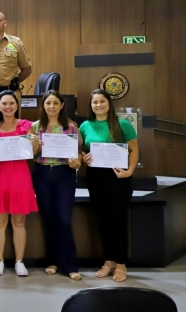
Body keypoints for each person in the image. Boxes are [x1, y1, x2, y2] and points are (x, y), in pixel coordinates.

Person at [80, 89, 139, 283]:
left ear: (109, 103)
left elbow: (134, 148)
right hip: (95, 177)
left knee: (118, 221)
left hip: (118, 177)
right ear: (91, 105)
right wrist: (84, 157)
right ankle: (109, 261)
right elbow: (82, 150)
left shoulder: (121, 124)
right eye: (95, 102)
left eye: (102, 101)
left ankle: (121, 263)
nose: (98, 105)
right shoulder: (85, 126)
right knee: (102, 220)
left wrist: (129, 171)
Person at [30, 90, 82, 281]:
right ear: (43, 106)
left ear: (62, 106)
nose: (51, 107)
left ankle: (70, 265)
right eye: (47, 103)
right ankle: (52, 261)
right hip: (42, 173)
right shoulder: (36, 127)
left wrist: (77, 163)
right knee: (49, 218)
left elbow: (78, 155)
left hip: (64, 174)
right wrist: (36, 145)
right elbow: (31, 155)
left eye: (55, 103)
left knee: (64, 219)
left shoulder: (71, 127)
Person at [0, 90, 39, 276]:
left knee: (18, 221)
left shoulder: (28, 126)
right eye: (4, 104)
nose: (8, 107)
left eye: (11, 103)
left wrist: (35, 143)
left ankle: (19, 261)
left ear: (17, 106)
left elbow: (35, 152)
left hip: (19, 176)